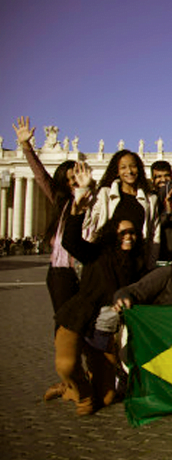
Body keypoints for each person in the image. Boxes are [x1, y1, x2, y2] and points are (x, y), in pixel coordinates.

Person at [55, 181, 146, 414]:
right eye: (123, 232)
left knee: (105, 398)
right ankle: (79, 391)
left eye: (133, 233)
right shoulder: (95, 253)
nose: (129, 237)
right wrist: (77, 212)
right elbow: (70, 242)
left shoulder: (136, 264)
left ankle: (71, 388)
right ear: (112, 234)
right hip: (79, 317)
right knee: (66, 364)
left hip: (104, 330)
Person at [15, 116, 83, 401]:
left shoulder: (91, 201)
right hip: (60, 273)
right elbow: (41, 177)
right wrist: (27, 147)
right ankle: (68, 380)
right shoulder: (60, 203)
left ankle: (84, 378)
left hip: (84, 270)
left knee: (86, 325)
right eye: (67, 180)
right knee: (62, 326)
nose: (71, 184)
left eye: (75, 179)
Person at [82, 149, 159, 267]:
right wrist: (84, 190)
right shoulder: (104, 195)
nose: (129, 171)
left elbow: (155, 235)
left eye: (133, 166)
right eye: (123, 167)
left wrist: (151, 264)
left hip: (137, 261)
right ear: (117, 172)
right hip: (108, 260)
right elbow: (89, 224)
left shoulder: (151, 200)